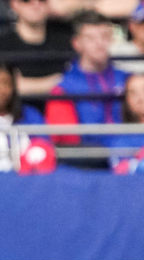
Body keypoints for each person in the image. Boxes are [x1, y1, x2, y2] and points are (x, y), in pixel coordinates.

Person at [44, 10, 129, 162]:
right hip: (89, 164)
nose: (100, 43)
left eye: (105, 36)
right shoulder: (63, 88)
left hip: (131, 156)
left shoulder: (128, 79)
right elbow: (67, 142)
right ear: (77, 43)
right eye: (91, 38)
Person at [0, 0, 74, 99]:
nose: (36, 4)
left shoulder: (66, 43)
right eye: (26, 0)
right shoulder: (0, 46)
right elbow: (4, 88)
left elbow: (77, 81)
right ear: (14, 4)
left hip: (60, 110)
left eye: (42, 0)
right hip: (18, 111)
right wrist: (56, 82)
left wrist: (26, 85)